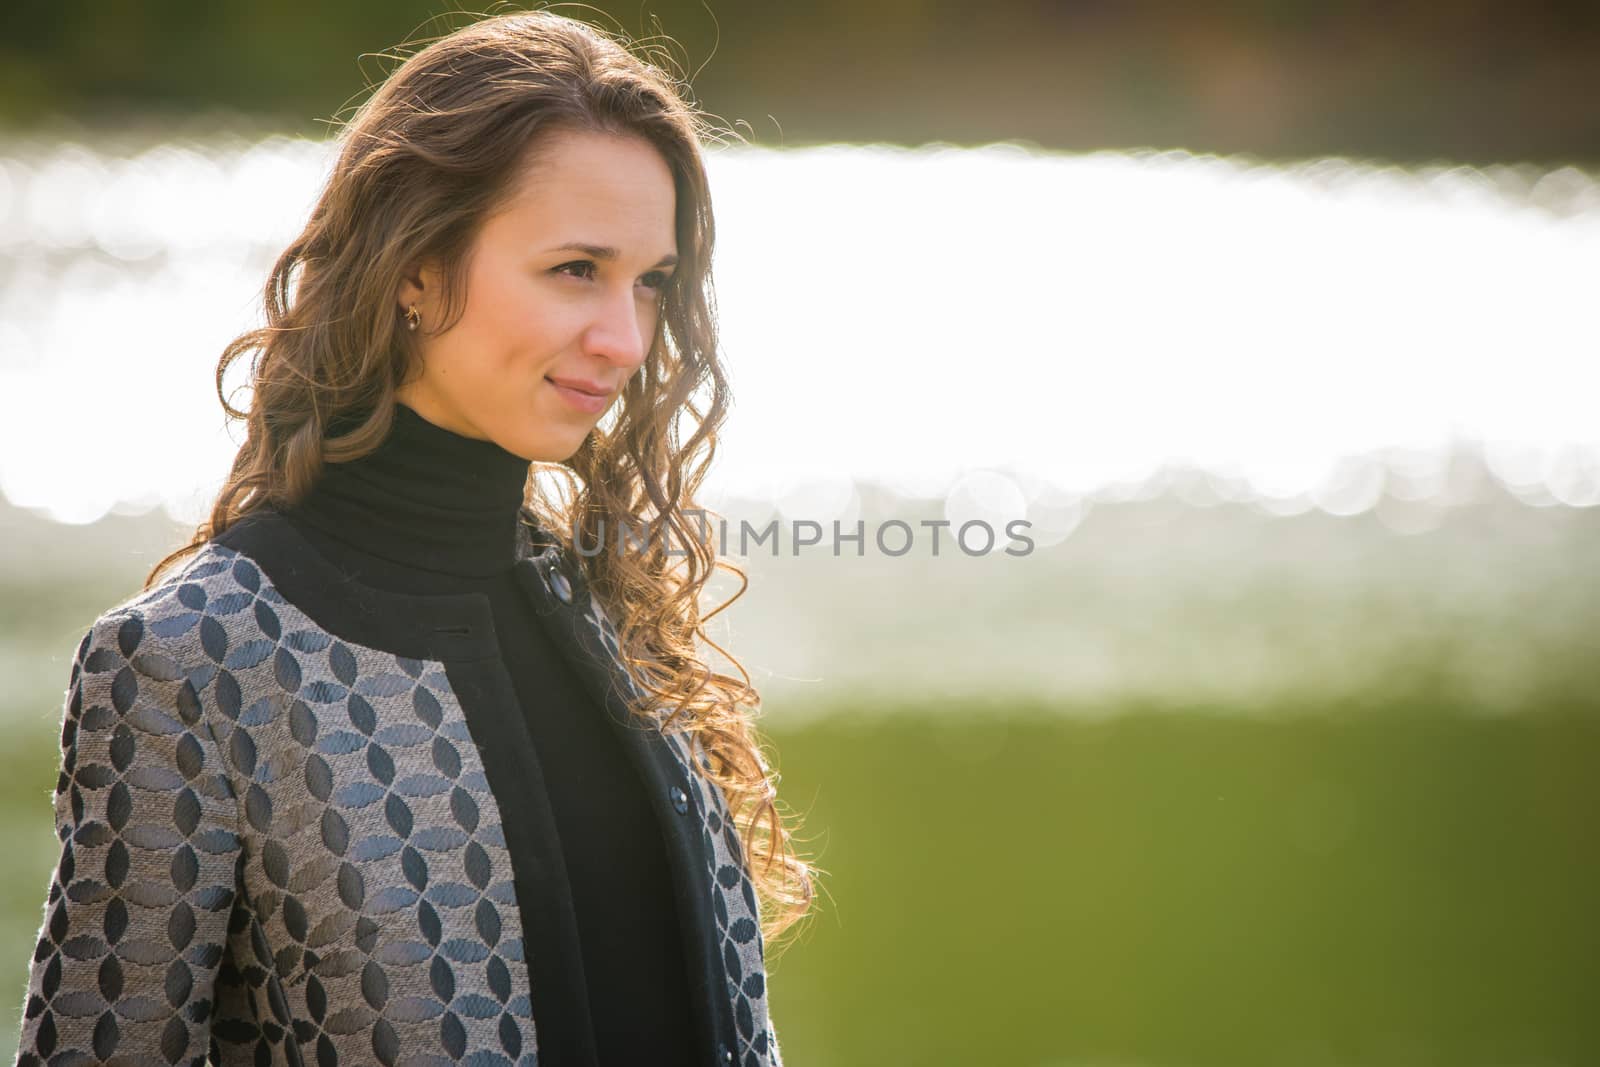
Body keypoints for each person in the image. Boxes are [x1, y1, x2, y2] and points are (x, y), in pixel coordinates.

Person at [11, 11, 813, 1067]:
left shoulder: (617, 607)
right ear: (414, 266)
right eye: (576, 267)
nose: (624, 338)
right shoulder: (194, 658)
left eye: (651, 281)